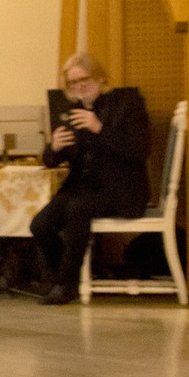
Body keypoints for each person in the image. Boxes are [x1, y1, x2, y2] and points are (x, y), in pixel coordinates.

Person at [32, 52, 151, 305]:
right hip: (82, 188)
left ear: (99, 78)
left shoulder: (127, 103)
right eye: (72, 83)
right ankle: (61, 276)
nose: (79, 87)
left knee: (78, 209)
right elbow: (50, 161)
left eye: (83, 80)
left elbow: (139, 151)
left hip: (122, 190)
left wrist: (99, 128)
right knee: (40, 225)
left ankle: (66, 285)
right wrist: (54, 147)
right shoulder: (70, 111)